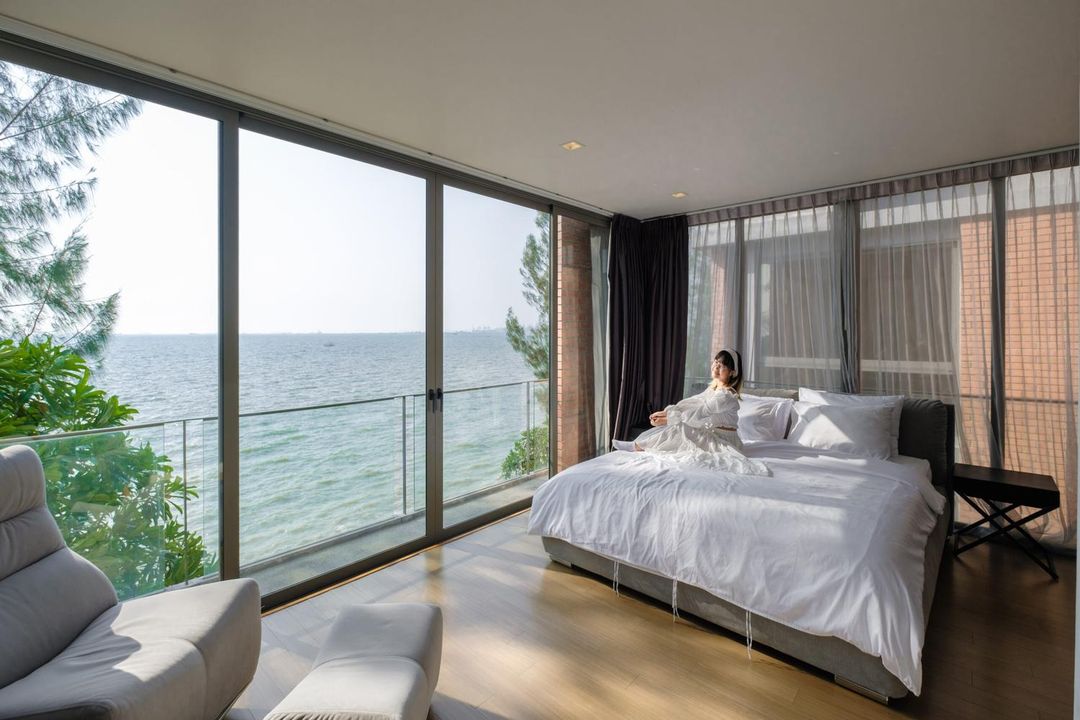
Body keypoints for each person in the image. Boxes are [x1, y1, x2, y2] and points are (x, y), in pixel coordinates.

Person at [613, 349, 770, 476]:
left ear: (732, 372)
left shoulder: (727, 396)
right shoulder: (713, 389)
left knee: (682, 426)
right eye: (715, 362)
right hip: (713, 434)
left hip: (725, 441)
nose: (716, 367)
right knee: (681, 426)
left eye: (722, 365)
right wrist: (667, 412)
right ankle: (639, 446)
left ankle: (638, 446)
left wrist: (669, 418)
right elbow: (692, 403)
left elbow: (701, 412)